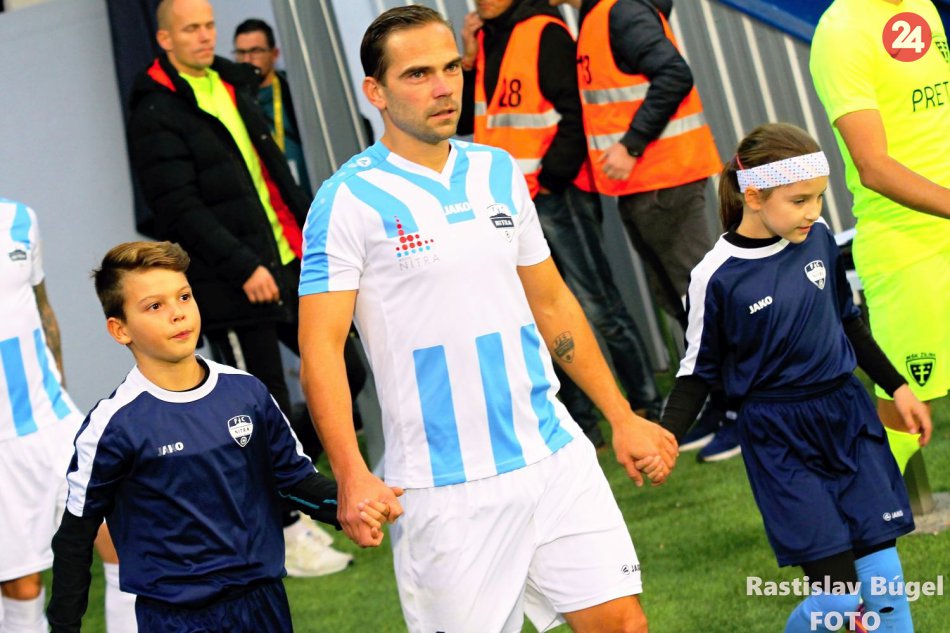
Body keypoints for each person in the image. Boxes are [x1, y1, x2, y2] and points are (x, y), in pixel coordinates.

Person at [298, 6, 678, 632]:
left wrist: (620, 415)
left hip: (552, 454)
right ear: (376, 92)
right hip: (443, 486)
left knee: (624, 625)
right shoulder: (345, 201)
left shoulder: (497, 170)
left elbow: (551, 302)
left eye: (451, 67)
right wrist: (350, 473)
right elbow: (321, 350)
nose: (443, 87)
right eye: (418, 74)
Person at [661, 123, 931, 633]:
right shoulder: (715, 276)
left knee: (886, 591)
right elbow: (696, 372)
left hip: (848, 419)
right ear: (754, 196)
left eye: (819, 197)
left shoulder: (819, 238)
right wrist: (666, 437)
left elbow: (848, 322)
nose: (814, 211)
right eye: (800, 200)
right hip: (781, 440)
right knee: (838, 604)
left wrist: (897, 387)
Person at [45, 241, 391, 633]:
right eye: (155, 306)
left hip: (264, 604)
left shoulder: (246, 392)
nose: (178, 313)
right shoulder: (114, 425)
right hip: (176, 619)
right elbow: (75, 538)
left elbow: (293, 482)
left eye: (184, 297)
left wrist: (353, 505)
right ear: (119, 329)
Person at [127, 0, 356, 575]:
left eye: (209, 26)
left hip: (288, 260)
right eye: (191, 29)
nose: (205, 37)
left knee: (346, 369)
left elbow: (272, 170)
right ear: (164, 39)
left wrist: (314, 236)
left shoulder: (231, 82)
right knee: (256, 408)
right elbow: (177, 208)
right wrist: (242, 266)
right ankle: (282, 527)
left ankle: (289, 496)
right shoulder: (155, 108)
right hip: (232, 283)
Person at [456, 0, 662, 442]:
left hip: (557, 196)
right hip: (514, 203)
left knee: (598, 305)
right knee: (541, 316)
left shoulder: (543, 31)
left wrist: (551, 178)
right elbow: (467, 119)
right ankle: (583, 424)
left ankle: (648, 404)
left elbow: (575, 113)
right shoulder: (487, 40)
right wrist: (468, 62)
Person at [550, 0, 738, 462]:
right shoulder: (597, 17)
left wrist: (631, 145)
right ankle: (722, 404)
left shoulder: (620, 12)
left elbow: (674, 74)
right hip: (644, 186)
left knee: (705, 301)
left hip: (666, 180)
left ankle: (743, 410)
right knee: (682, 303)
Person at [810, 0, 949, 472]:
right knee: (907, 416)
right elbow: (873, 166)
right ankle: (869, 511)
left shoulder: (924, 7)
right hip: (908, 247)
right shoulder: (841, 30)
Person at [0, 198, 136, 633]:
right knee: (22, 588)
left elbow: (41, 306)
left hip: (53, 418)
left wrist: (58, 384)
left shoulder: (20, 219)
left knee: (124, 539)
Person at [232, 18, 314, 199]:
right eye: (241, 53)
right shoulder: (233, 103)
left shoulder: (298, 92)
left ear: (274, 53)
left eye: (255, 51)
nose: (247, 60)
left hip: (313, 196)